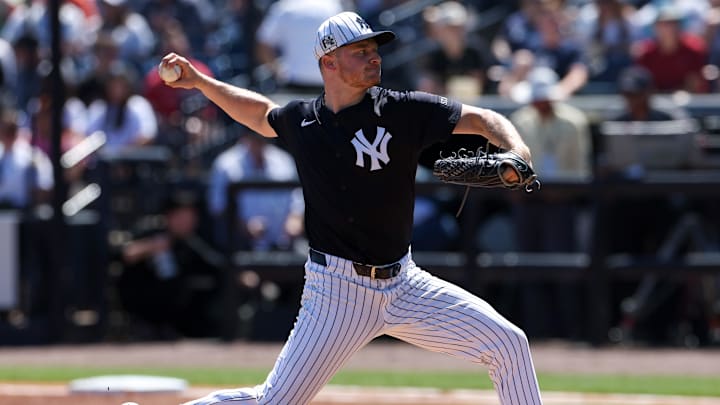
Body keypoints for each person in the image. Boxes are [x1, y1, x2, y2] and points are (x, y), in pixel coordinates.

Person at [162, 11, 543, 405]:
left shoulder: (400, 109)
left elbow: (483, 118)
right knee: (272, 402)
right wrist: (200, 81)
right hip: (337, 293)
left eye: (374, 49)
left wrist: (517, 148)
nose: (374, 57)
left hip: (405, 284)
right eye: (360, 51)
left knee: (509, 345)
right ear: (329, 62)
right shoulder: (305, 122)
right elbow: (260, 115)